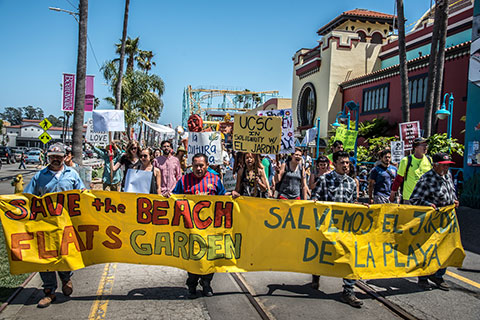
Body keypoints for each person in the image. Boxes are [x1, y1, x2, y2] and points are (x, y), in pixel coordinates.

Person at [23, 143, 85, 308]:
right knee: (45, 258)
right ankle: (49, 292)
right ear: (48, 157)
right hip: (44, 225)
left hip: (65, 225)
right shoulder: (39, 176)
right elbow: (28, 197)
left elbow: (82, 194)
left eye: (59, 157)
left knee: (64, 254)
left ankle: (66, 279)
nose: (56, 160)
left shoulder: (72, 174)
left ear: (65, 157)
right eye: (52, 157)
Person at [311, 151, 363, 308]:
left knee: (350, 257)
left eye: (347, 162)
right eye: (342, 162)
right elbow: (316, 198)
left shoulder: (352, 182)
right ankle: (315, 273)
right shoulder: (324, 179)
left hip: (345, 228)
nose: (346, 165)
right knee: (321, 254)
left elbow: (353, 202)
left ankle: (348, 291)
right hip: (327, 227)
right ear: (335, 164)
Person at [171, 153, 227, 298]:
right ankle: (192, 283)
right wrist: (167, 197)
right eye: (195, 165)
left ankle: (207, 283)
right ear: (191, 166)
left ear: (207, 166)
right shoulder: (184, 180)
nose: (198, 168)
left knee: (210, 256)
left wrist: (233, 196)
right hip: (191, 228)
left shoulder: (215, 180)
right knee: (194, 256)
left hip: (211, 228)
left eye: (201, 165)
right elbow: (174, 198)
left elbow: (223, 198)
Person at [409, 152, 459, 291]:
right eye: (443, 166)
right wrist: (427, 205)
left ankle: (438, 275)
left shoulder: (448, 176)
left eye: (448, 166)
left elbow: (451, 192)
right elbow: (415, 199)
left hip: (447, 220)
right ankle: (423, 277)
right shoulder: (426, 179)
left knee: (446, 248)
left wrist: (454, 200)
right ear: (435, 165)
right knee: (428, 249)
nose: (446, 168)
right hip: (431, 222)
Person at [390, 137, 432, 204]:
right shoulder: (406, 160)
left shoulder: (429, 159)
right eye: (423, 145)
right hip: (410, 198)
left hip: (425, 198)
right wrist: (393, 192)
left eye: (426, 145)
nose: (425, 147)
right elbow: (399, 178)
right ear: (415, 147)